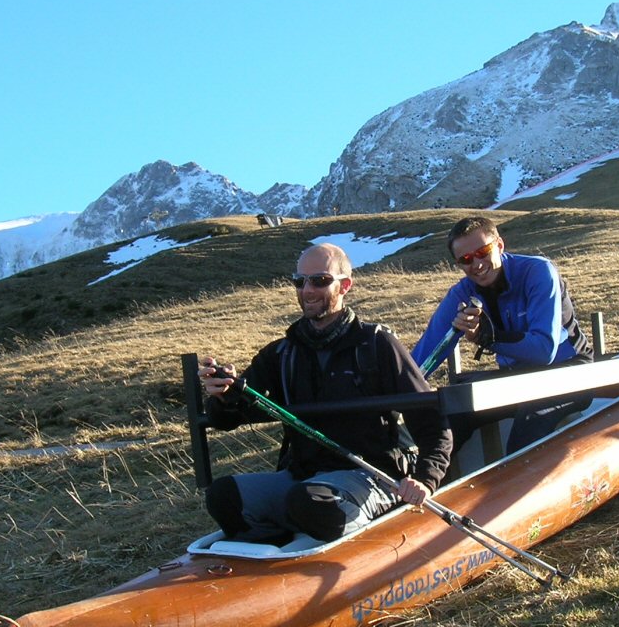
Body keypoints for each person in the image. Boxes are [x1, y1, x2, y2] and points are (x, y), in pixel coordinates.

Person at [199, 243, 452, 544]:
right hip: (301, 479)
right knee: (223, 496)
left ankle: (343, 530)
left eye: (319, 280)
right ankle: (280, 552)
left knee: (308, 502)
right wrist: (221, 395)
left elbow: (430, 420)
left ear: (345, 286)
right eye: (300, 281)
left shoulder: (377, 345)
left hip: (371, 476)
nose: (307, 290)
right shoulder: (282, 353)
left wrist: (425, 480)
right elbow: (230, 416)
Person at [411, 216, 593, 454]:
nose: (476, 264)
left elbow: (544, 350)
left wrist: (486, 337)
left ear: (499, 245)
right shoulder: (461, 293)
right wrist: (394, 389)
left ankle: (513, 486)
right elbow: (424, 356)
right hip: (516, 378)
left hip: (570, 371)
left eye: (483, 251)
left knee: (532, 416)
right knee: (452, 412)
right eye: (465, 259)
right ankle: (425, 484)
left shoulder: (538, 272)